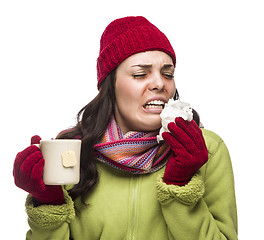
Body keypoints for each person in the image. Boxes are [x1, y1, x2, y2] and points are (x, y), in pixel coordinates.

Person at [13, 16, 238, 239]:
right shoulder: (70, 152)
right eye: (140, 74)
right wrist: (48, 204)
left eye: (168, 74)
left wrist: (181, 186)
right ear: (110, 85)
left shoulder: (207, 149)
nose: (160, 84)